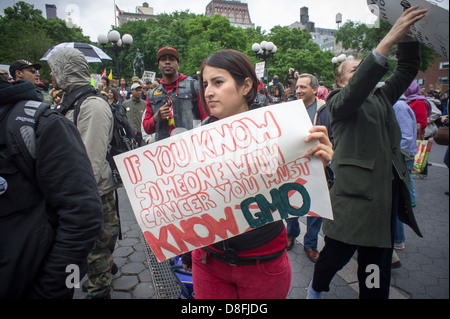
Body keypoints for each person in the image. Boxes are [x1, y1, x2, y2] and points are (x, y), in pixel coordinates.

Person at [181, 49, 334, 299]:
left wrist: (321, 166)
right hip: (209, 262)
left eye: (218, 82)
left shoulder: (281, 130)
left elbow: (304, 190)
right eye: (205, 83)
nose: (208, 91)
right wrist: (186, 247)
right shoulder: (196, 139)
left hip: (262, 263)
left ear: (246, 85)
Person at [309, 6, 426, 299]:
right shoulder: (337, 101)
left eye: (364, 67)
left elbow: (406, 69)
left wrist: (407, 36)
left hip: (382, 203)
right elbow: (358, 87)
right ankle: (316, 289)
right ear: (339, 81)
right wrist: (387, 40)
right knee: (333, 259)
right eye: (354, 69)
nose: (361, 72)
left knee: (375, 273)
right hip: (353, 203)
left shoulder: (382, 96)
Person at [0, 76, 103, 298]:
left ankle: (100, 285)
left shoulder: (43, 122)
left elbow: (85, 214)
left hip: (41, 285)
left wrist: (57, 290)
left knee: (98, 250)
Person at [47, 48, 120, 299]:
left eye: (54, 68)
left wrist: (73, 199)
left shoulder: (92, 106)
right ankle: (105, 270)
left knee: (95, 247)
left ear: (65, 70)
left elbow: (91, 161)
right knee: (95, 248)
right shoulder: (72, 101)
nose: (50, 73)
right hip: (80, 192)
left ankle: (100, 289)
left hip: (92, 193)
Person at [285, 73, 334, 263]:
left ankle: (311, 244)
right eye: (297, 87)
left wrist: (327, 158)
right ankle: (291, 235)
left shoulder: (324, 111)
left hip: (316, 165)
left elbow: (331, 138)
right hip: (293, 165)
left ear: (315, 90)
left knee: (315, 208)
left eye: (303, 87)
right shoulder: (288, 109)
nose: (298, 91)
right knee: (291, 202)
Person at [142, 46, 208, 141]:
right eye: (163, 59)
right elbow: (147, 129)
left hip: (191, 147)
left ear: (178, 64)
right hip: (165, 150)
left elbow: (207, 119)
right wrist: (156, 118)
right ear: (159, 65)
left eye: (172, 59)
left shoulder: (195, 87)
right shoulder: (152, 94)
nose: (167, 62)